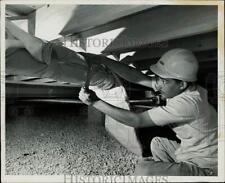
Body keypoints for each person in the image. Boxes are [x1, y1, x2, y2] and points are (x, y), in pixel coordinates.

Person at [5, 19, 143, 155]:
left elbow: (38, 49)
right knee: (99, 76)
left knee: (100, 77)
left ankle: (110, 79)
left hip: (66, 64)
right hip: (66, 65)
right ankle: (110, 79)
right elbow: (39, 49)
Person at [79, 48, 218, 176]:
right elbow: (139, 77)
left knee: (144, 170)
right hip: (190, 153)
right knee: (158, 143)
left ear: (182, 84)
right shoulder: (181, 87)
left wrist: (95, 102)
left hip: (206, 166)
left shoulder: (188, 104)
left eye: (163, 80)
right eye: (158, 77)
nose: (158, 83)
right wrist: (102, 59)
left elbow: (137, 121)